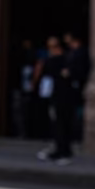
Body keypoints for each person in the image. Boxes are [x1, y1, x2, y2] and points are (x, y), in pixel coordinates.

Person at [36, 36, 76, 166]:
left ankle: (61, 152)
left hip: (57, 97)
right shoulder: (69, 60)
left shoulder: (51, 61)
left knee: (58, 125)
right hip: (67, 97)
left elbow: (42, 75)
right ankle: (65, 150)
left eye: (51, 47)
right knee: (65, 124)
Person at [64, 32, 91, 144]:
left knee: (77, 111)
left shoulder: (81, 53)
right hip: (74, 86)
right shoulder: (73, 52)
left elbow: (81, 69)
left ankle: (77, 134)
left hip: (77, 86)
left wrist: (70, 73)